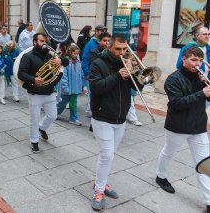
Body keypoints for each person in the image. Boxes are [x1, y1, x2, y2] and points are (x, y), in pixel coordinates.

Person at [88, 33, 143, 211]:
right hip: (102, 117)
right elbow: (96, 88)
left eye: (124, 49)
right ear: (109, 46)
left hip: (121, 117)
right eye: (117, 49)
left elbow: (137, 87)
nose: (121, 52)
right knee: (107, 155)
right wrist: (118, 75)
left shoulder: (127, 61)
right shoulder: (98, 63)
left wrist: (137, 74)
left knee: (109, 154)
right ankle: (98, 190)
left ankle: (101, 183)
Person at [156, 46, 210, 212]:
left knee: (204, 164)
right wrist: (202, 93)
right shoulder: (173, 79)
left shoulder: (201, 77)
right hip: (178, 126)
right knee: (169, 152)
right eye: (194, 60)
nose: (198, 64)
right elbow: (177, 104)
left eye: (200, 61)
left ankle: (209, 201)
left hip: (199, 126)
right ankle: (161, 176)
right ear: (184, 59)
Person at [17, 33, 69, 153]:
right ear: (35, 42)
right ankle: (34, 141)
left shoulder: (51, 55)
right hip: (35, 92)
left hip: (49, 91)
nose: (44, 43)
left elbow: (66, 62)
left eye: (45, 41)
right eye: (41, 41)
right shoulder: (27, 56)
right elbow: (21, 74)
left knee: (53, 115)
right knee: (34, 120)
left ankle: (42, 128)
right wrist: (33, 79)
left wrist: (60, 60)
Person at [82, 24, 108, 118]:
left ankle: (90, 110)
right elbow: (84, 58)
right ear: (96, 32)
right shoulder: (90, 43)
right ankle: (92, 112)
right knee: (92, 92)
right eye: (101, 31)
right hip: (92, 72)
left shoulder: (107, 43)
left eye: (104, 31)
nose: (103, 32)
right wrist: (86, 72)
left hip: (103, 73)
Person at [57, 44, 86, 126]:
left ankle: (73, 118)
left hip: (75, 89)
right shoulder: (66, 62)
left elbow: (81, 75)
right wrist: (65, 87)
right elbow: (64, 76)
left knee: (73, 104)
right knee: (62, 104)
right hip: (66, 89)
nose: (76, 55)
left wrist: (83, 86)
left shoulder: (78, 63)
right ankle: (55, 113)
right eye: (75, 53)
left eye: (77, 54)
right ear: (70, 52)